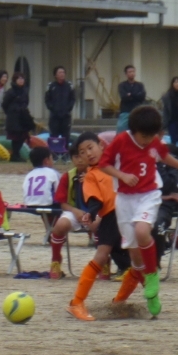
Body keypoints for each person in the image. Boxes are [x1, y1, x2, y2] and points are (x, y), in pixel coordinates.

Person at [99, 105, 178, 317]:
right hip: (125, 199)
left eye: (152, 136)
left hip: (149, 195)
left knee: (142, 231)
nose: (147, 141)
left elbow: (164, 156)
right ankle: (151, 294)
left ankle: (153, 274)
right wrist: (122, 175)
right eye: (144, 136)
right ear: (133, 130)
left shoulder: (154, 141)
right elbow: (104, 164)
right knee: (135, 256)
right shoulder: (121, 141)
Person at [66, 133, 125, 322]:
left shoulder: (114, 163)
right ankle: (77, 302)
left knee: (136, 261)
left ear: (101, 145)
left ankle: (120, 303)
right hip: (111, 217)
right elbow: (94, 201)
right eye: (82, 152)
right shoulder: (90, 176)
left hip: (127, 214)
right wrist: (90, 214)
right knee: (101, 256)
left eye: (90, 148)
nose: (88, 154)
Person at [47, 139, 91, 281]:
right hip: (74, 211)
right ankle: (55, 261)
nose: (79, 160)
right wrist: (75, 211)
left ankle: (104, 263)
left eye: (82, 155)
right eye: (76, 157)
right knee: (60, 225)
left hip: (95, 211)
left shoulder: (98, 173)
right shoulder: (68, 176)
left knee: (99, 225)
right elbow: (62, 203)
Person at [2, 72, 34, 162]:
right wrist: (11, 112)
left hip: (23, 117)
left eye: (22, 79)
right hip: (13, 118)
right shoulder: (10, 91)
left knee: (23, 136)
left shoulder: (25, 91)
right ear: (15, 80)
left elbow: (26, 102)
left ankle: (16, 154)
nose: (21, 80)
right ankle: (15, 155)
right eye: (19, 79)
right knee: (15, 137)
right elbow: (4, 104)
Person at [44, 66, 75, 156]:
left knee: (66, 136)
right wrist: (53, 108)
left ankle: (65, 155)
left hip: (66, 116)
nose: (62, 74)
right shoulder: (51, 86)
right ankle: (54, 155)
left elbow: (72, 99)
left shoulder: (69, 86)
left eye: (63, 72)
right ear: (55, 75)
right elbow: (47, 100)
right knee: (54, 136)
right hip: (54, 116)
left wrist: (68, 109)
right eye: (60, 72)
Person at [22, 145, 60, 210]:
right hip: (49, 205)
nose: (53, 161)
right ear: (46, 161)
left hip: (29, 205)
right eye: (51, 159)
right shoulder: (53, 172)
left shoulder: (29, 175)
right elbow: (59, 190)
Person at [116, 65, 147, 132]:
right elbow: (124, 97)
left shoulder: (140, 85)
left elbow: (142, 97)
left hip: (137, 111)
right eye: (130, 72)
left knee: (139, 130)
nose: (132, 73)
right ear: (126, 74)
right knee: (121, 128)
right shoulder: (122, 85)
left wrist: (130, 94)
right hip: (126, 111)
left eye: (133, 71)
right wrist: (136, 95)